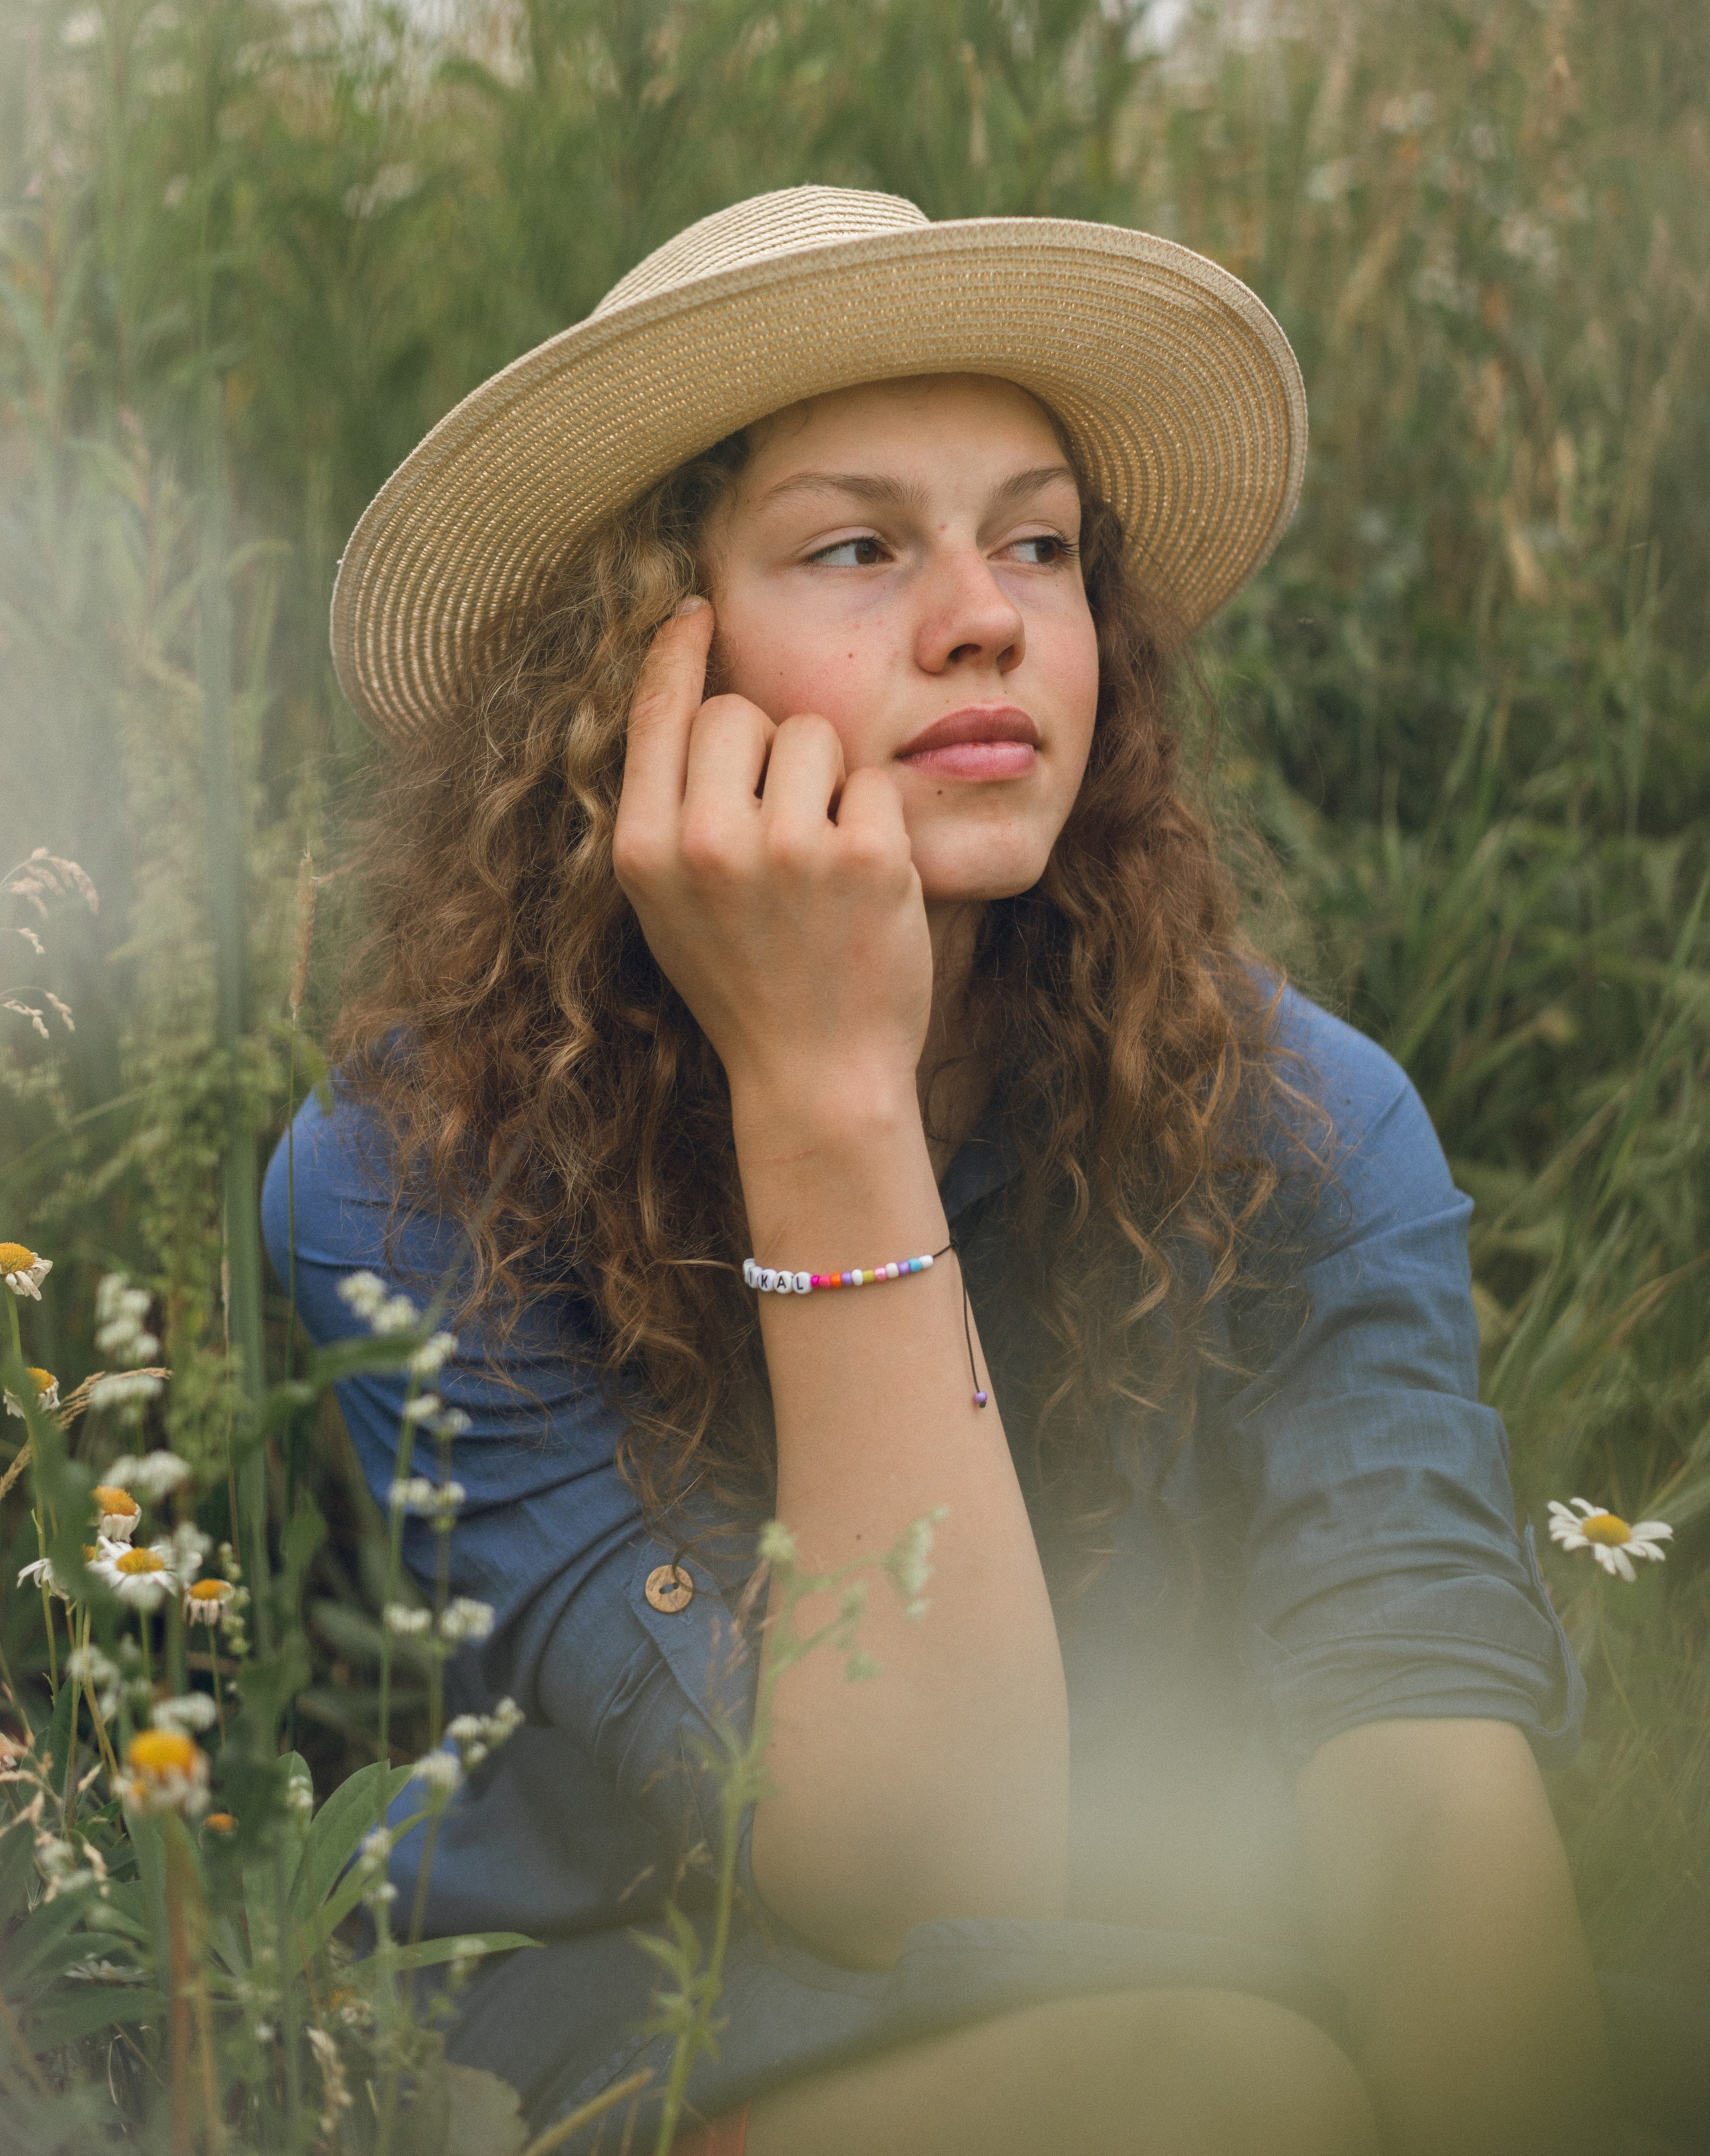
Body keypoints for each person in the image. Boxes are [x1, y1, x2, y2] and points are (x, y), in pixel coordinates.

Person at [264, 187, 1620, 2156]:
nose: (986, 612)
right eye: (856, 544)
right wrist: (826, 1086)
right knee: (1233, 2094)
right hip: (617, 2039)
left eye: (1041, 543)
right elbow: (922, 1865)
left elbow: (1425, 1793)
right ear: (639, 671)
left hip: (1175, 1972)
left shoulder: (1306, 1124)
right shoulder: (416, 1172)